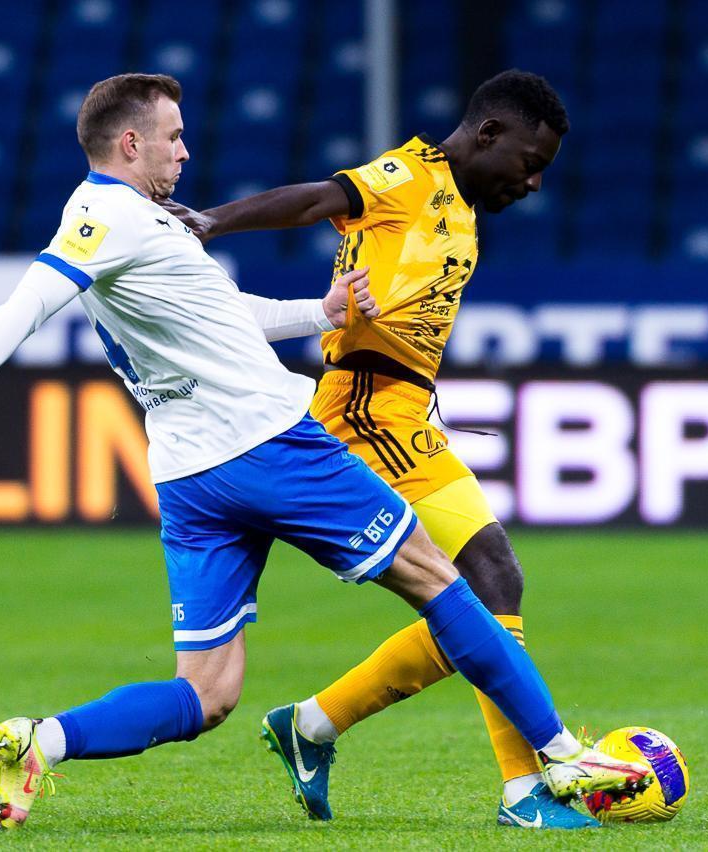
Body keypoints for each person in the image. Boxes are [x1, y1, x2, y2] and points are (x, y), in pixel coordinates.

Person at [0, 72, 649, 831]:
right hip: (270, 444)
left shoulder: (144, 227)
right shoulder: (107, 217)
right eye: (173, 137)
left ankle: (42, 739)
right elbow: (31, 299)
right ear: (131, 143)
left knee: (207, 694)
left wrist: (321, 312)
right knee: (446, 582)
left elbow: (221, 312)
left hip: (189, 477)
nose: (185, 152)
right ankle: (558, 758)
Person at [160, 69, 586, 829]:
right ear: (488, 133)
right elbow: (319, 199)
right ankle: (526, 791)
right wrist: (212, 222)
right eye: (529, 163)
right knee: (487, 578)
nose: (533, 183)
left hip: (404, 414)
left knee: (489, 587)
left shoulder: (458, 203)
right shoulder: (409, 175)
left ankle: (313, 724)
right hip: (364, 408)